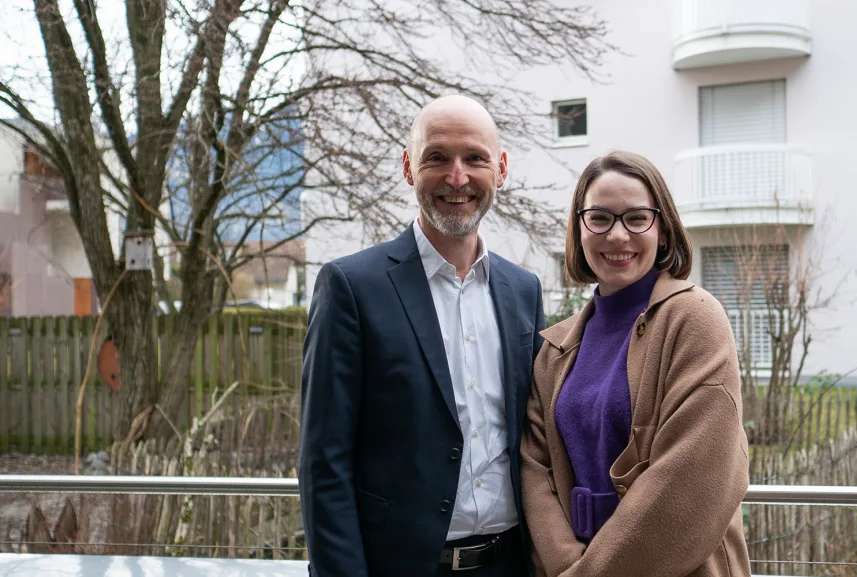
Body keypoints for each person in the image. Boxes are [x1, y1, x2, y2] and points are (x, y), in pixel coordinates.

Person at [299, 95, 545, 576]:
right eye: (437, 157)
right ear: (409, 167)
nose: (457, 178)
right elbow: (324, 464)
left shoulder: (524, 290)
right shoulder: (351, 287)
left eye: (475, 158)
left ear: (501, 169)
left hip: (511, 564)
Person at [521, 151, 751, 576]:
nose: (618, 235)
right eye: (601, 218)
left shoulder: (695, 319)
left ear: (662, 230)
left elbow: (689, 480)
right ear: (580, 228)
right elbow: (535, 473)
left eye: (636, 218)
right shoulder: (553, 350)